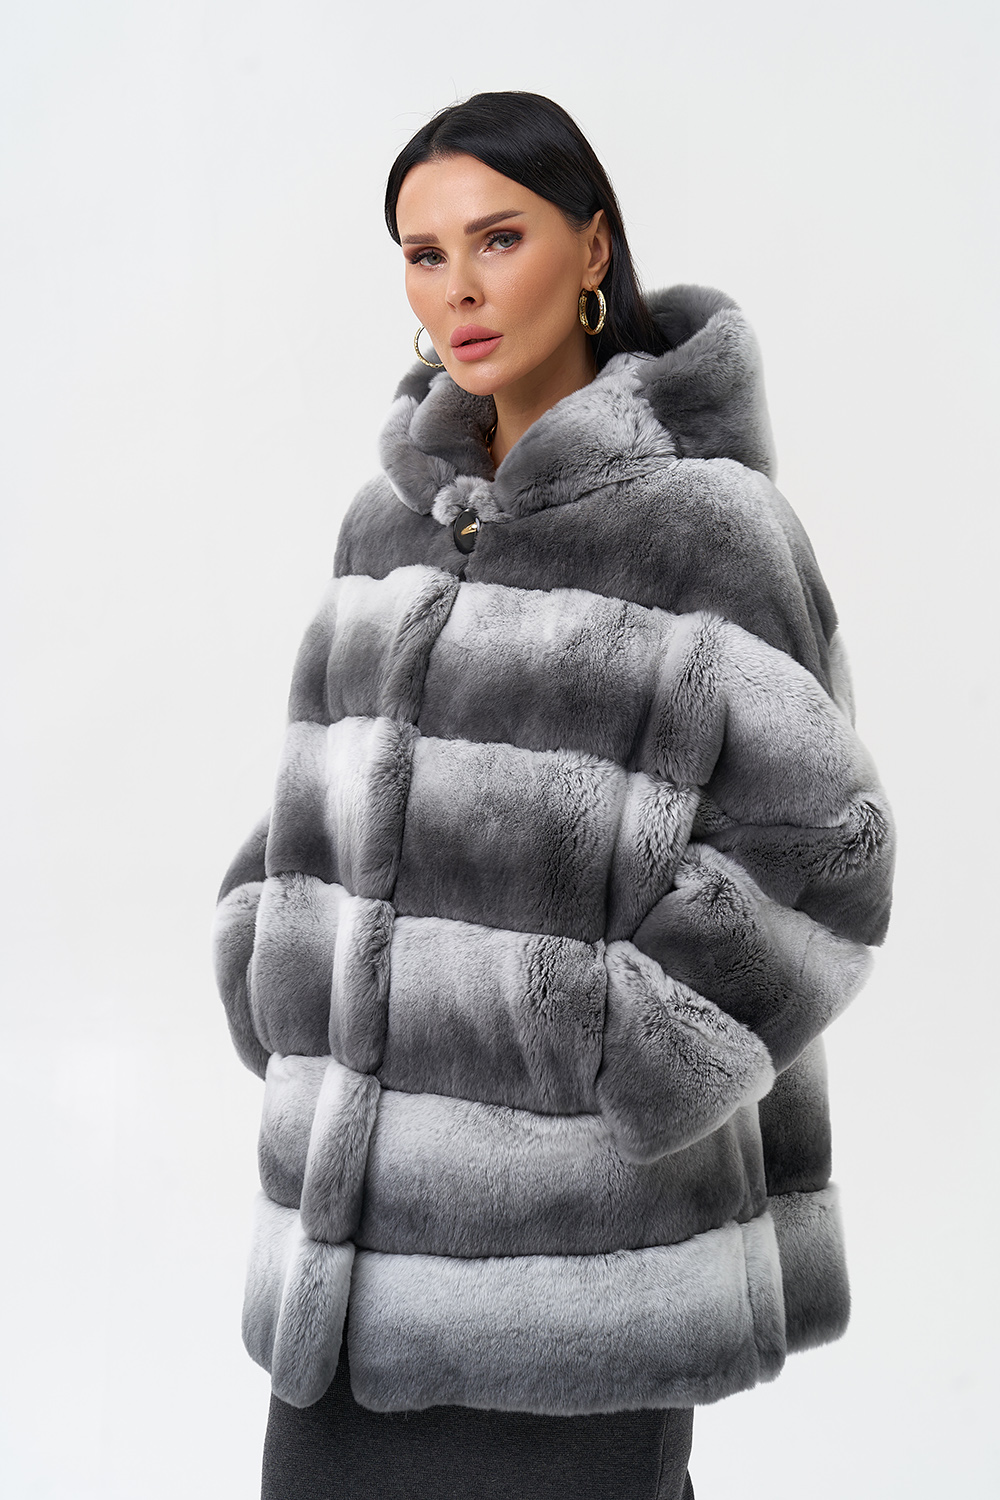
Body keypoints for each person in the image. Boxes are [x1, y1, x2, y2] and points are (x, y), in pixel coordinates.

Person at [212, 91, 895, 1500]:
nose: (457, 288)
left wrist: (619, 1040)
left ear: (591, 248)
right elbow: (318, 802)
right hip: (347, 1275)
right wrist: (266, 954)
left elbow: (827, 852)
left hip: (587, 1273)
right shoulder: (387, 523)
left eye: (498, 238)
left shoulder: (706, 526)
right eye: (424, 253)